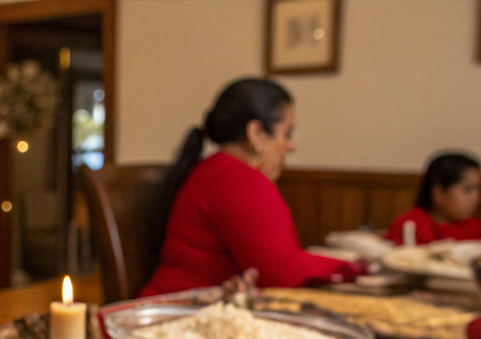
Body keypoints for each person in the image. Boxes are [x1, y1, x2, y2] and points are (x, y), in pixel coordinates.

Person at [138, 78, 361, 297]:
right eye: (287, 133)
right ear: (256, 134)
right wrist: (361, 268)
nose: (290, 146)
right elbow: (283, 274)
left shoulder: (215, 169)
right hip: (179, 317)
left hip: (175, 307)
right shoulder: (238, 179)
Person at [385, 152, 481, 246]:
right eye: (468, 190)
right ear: (438, 193)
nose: (476, 198)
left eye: (479, 190)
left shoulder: (475, 227)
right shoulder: (410, 224)